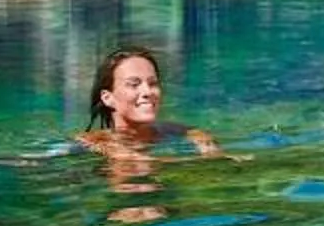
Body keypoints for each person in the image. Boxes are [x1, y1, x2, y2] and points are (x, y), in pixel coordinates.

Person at [80, 46, 221, 164]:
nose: (147, 91)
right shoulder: (96, 142)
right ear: (108, 98)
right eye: (134, 84)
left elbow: (194, 134)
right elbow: (136, 163)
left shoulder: (173, 130)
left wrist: (204, 141)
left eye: (153, 83)